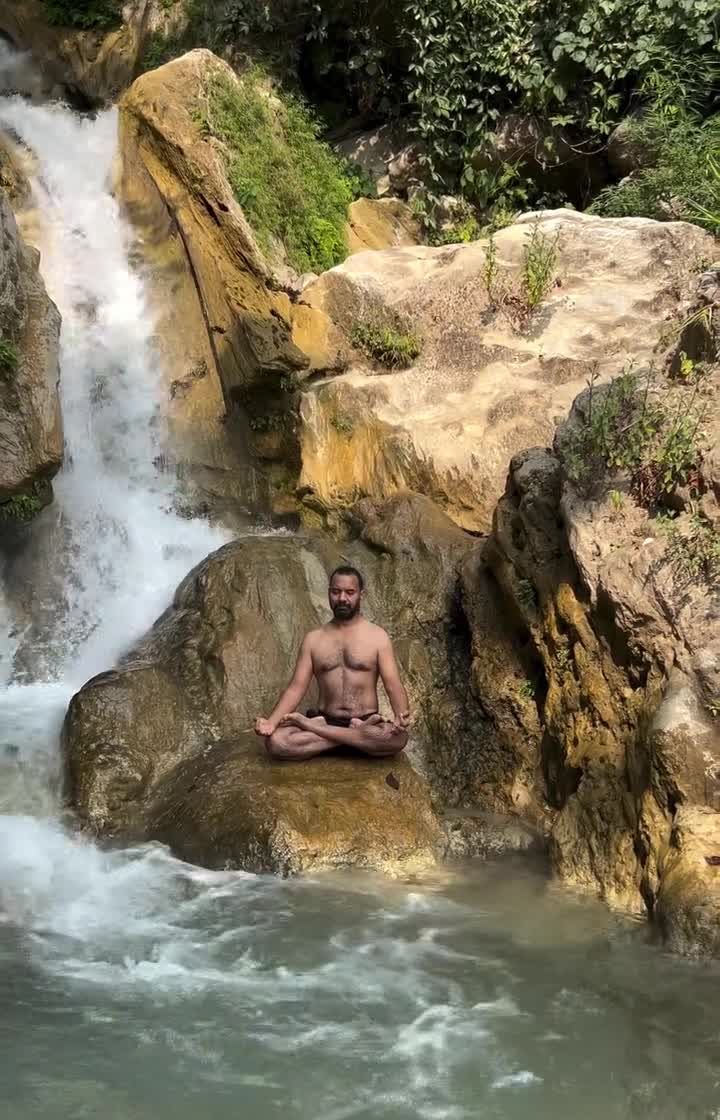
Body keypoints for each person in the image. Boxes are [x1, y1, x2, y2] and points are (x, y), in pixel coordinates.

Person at [255, 565, 410, 760]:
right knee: (277, 742)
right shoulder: (314, 639)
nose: (342, 598)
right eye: (336, 592)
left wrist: (401, 716)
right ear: (329, 593)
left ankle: (318, 729)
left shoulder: (378, 637)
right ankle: (354, 737)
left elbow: (393, 684)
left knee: (398, 739)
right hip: (329, 720)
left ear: (361, 595)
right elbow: (295, 688)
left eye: (350, 592)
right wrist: (271, 722)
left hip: (364, 720)